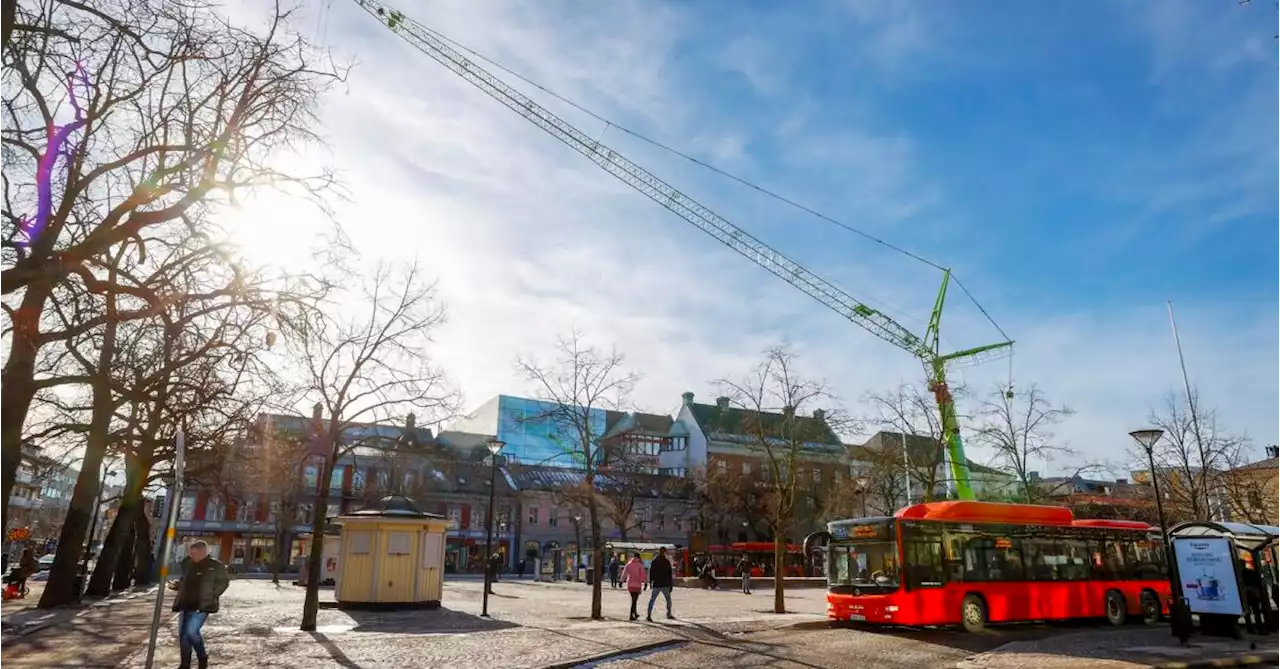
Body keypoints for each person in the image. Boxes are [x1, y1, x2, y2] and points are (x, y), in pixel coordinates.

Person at [167, 540, 230, 669]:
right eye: (190, 553)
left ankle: (202, 658)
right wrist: (178, 586)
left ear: (203, 552)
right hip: (185, 603)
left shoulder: (215, 566)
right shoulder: (189, 564)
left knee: (191, 632)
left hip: (202, 605)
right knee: (183, 636)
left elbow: (224, 583)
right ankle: (185, 663)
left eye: (193, 553)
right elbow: (185, 581)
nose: (191, 555)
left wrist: (212, 594)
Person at [646, 546, 674, 622]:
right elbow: (669, 574)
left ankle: (648, 615)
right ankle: (669, 613)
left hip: (657, 583)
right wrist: (671, 584)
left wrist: (651, 582)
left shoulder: (654, 561)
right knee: (668, 599)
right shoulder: (666, 562)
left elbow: (651, 572)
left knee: (652, 599)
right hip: (665, 584)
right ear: (664, 552)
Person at [622, 552, 645, 621]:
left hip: (630, 584)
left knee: (633, 599)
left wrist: (621, 581)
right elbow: (642, 575)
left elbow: (624, 572)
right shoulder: (640, 565)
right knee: (634, 600)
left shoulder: (629, 563)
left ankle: (635, 613)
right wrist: (645, 582)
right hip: (637, 584)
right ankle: (631, 615)